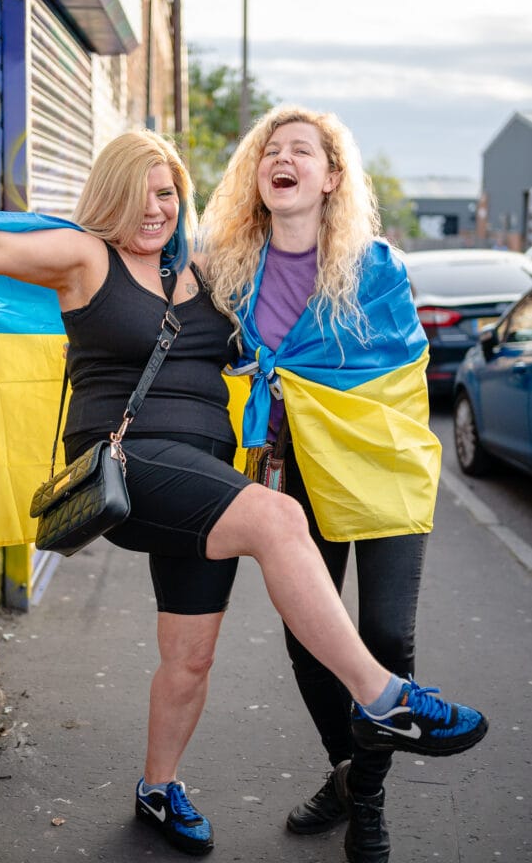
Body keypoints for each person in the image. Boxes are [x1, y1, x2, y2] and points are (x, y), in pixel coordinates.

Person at [0, 130, 487, 859]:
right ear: (109, 196)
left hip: (207, 479)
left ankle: (158, 788)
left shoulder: (207, 269)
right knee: (279, 518)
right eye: (140, 193)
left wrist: (349, 251)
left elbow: (295, 279)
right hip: (130, 465)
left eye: (167, 195)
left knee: (190, 655)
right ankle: (384, 699)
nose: (155, 210)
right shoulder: (84, 258)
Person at [201, 106, 446, 863]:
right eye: (271, 150)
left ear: (331, 177)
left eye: (302, 151)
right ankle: (348, 773)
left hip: (377, 462)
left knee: (385, 636)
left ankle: (363, 799)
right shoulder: (227, 265)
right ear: (258, 174)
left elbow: (400, 375)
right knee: (308, 636)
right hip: (288, 466)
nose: (284, 159)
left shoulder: (375, 267)